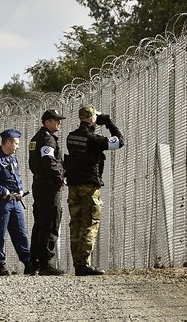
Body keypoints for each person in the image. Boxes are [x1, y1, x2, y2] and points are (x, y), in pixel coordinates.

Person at [65, 105, 123, 276]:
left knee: (75, 224)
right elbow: (119, 141)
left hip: (73, 186)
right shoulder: (94, 140)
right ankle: (83, 264)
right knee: (90, 224)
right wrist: (109, 123)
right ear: (91, 119)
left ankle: (78, 263)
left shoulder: (71, 137)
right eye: (95, 118)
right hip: (89, 187)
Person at [0, 128, 34, 276]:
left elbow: (17, 177)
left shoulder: (12, 158)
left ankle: (28, 262)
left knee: (20, 233)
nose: (18, 146)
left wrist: (21, 190)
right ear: (8, 142)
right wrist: (2, 191)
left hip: (16, 201)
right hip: (1, 202)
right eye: (16, 143)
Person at [27, 109, 66, 276]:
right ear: (47, 122)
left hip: (39, 183)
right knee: (51, 221)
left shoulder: (36, 138)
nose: (58, 123)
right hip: (48, 185)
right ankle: (46, 263)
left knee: (40, 223)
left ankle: (34, 262)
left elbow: (33, 163)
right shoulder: (47, 139)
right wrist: (59, 177)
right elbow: (48, 161)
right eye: (55, 120)